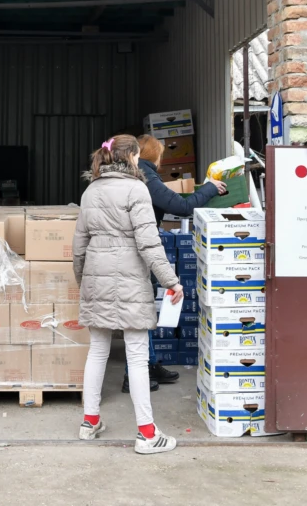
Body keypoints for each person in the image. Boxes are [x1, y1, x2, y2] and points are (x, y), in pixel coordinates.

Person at [73, 135, 183, 454]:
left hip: (96, 276)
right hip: (130, 280)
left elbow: (79, 247)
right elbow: (149, 244)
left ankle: (89, 421)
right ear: (132, 157)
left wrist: (85, 283)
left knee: (97, 350)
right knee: (136, 354)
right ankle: (147, 434)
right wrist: (171, 281)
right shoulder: (137, 189)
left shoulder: (91, 190)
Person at [120, 134, 228, 393]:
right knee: (139, 312)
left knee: (143, 309)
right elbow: (181, 206)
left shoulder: (131, 175)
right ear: (152, 155)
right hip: (137, 252)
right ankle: (133, 375)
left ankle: (150, 363)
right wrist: (210, 188)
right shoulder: (145, 176)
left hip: (131, 250)